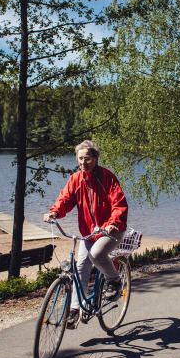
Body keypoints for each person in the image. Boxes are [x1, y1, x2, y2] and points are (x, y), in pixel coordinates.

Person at [43, 140, 128, 328]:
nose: (83, 162)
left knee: (97, 254)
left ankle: (114, 281)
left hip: (111, 230)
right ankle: (74, 310)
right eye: (80, 159)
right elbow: (65, 199)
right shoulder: (76, 179)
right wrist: (55, 212)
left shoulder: (107, 178)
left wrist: (114, 223)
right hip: (89, 233)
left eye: (87, 158)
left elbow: (119, 204)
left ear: (96, 159)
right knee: (80, 267)